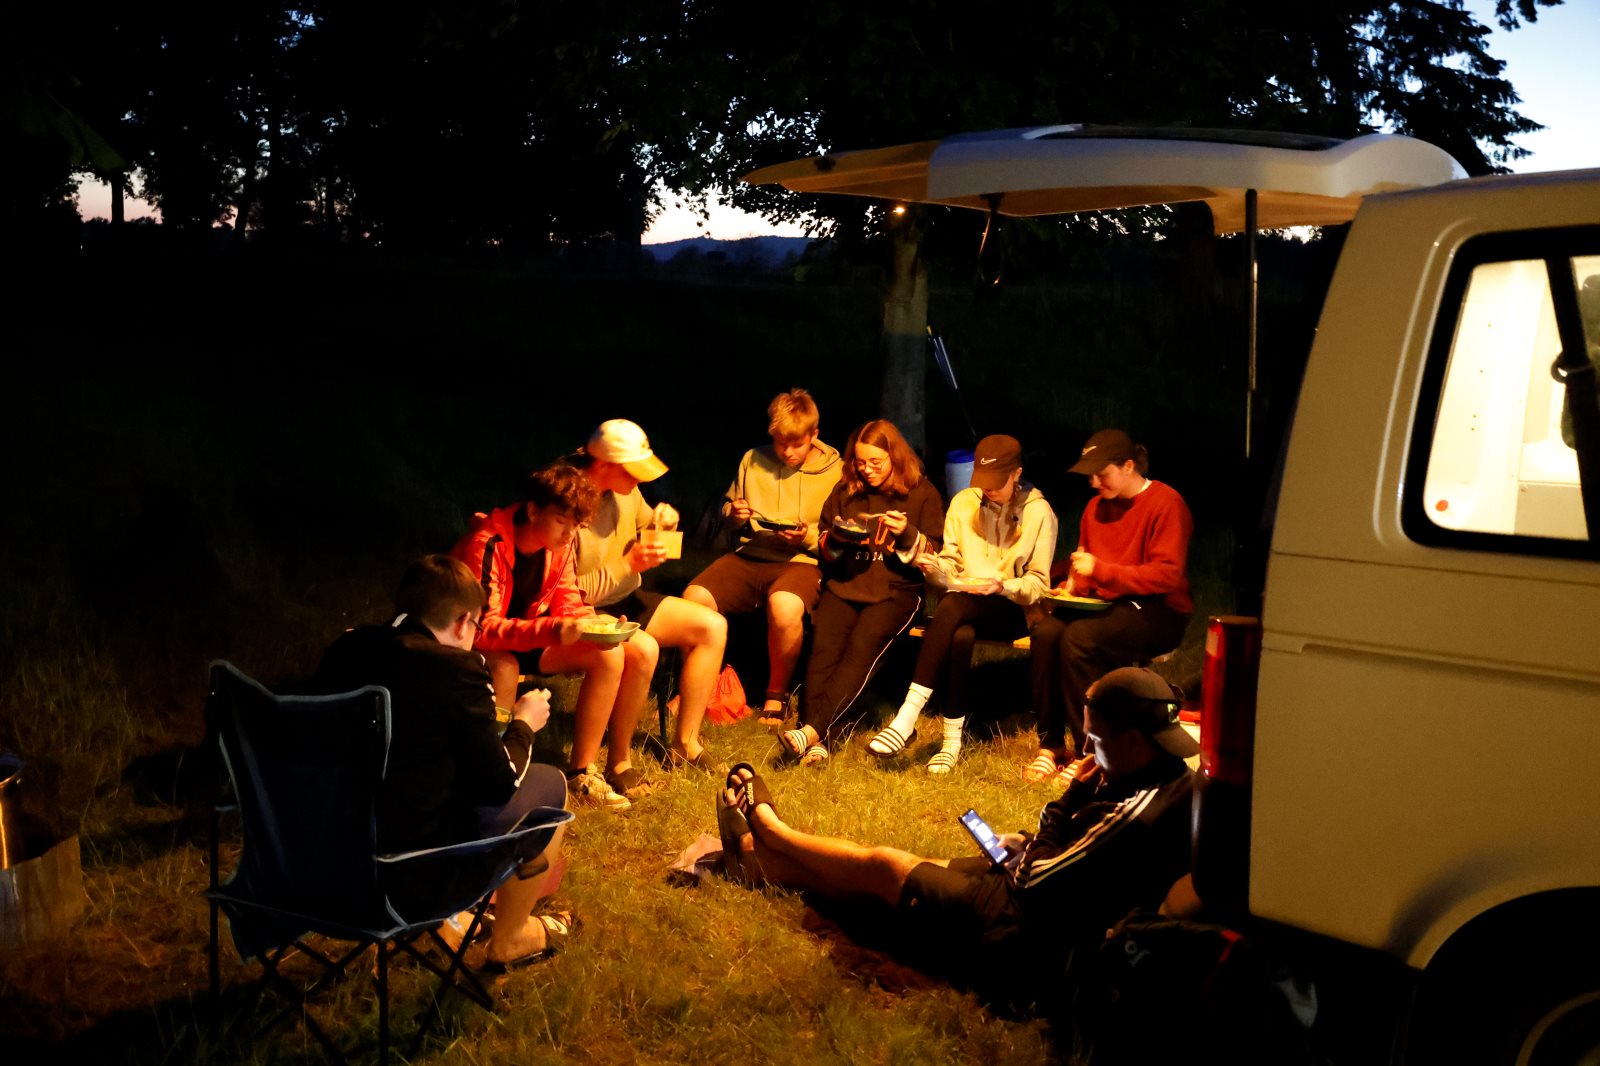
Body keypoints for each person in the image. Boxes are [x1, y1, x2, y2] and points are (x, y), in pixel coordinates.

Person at [718, 667, 1198, 1010]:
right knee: (902, 872)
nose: (1087, 750)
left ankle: (772, 833)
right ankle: (759, 863)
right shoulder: (1157, 771)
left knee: (886, 866)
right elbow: (1076, 860)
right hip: (1046, 897)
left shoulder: (1139, 813)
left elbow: (1037, 882)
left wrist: (1066, 800)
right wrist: (1029, 844)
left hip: (1036, 938)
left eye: (1095, 740)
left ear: (1133, 739)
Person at [314, 555, 574, 969]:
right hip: (405, 883)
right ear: (463, 621)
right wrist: (524, 725)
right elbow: (498, 785)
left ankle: (452, 923)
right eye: (477, 628)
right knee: (550, 784)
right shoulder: (456, 668)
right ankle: (510, 938)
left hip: (315, 871)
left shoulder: (346, 650)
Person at [451, 461, 653, 811]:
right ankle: (496, 770)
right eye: (562, 521)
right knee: (505, 668)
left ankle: (581, 773)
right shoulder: (489, 542)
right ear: (533, 511)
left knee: (609, 653)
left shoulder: (559, 546)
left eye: (577, 525)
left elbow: (568, 598)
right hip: (470, 638)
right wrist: (552, 630)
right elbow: (483, 628)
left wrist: (594, 627)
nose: (569, 533)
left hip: (529, 631)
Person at [867, 434, 1058, 773]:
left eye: (997, 482)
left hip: (1013, 607)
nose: (988, 489)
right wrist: (934, 567)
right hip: (965, 602)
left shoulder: (1039, 512)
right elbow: (951, 564)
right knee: (959, 631)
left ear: (1016, 474)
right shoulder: (964, 503)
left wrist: (1002, 585)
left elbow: (1038, 585)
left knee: (952, 608)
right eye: (983, 481)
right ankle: (951, 742)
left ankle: (907, 716)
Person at [1025, 429, 1192, 784]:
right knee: (1047, 630)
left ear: (1129, 466)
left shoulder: (1166, 503)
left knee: (1080, 639)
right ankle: (1050, 744)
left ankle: (1090, 752)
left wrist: (1101, 571)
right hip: (1111, 602)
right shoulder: (1095, 508)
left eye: (1102, 474)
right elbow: (1090, 568)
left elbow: (1167, 576)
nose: (1094, 483)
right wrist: (1074, 585)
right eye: (1090, 476)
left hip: (1159, 608)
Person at [776, 419, 945, 767]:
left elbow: (934, 556)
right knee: (823, 651)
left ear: (895, 457)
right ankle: (822, 740)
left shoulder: (921, 493)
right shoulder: (846, 490)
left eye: (875, 462)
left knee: (861, 650)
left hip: (895, 590)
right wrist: (838, 538)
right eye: (860, 461)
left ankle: (811, 731)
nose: (866, 469)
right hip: (845, 583)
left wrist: (907, 533)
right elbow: (825, 545)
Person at [569, 419, 729, 772]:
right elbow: (571, 590)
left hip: (626, 597)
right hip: (585, 609)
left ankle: (686, 743)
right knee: (645, 648)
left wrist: (662, 525)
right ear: (604, 465)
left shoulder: (625, 491)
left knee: (712, 627)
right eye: (633, 471)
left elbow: (648, 530)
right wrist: (629, 563)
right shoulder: (569, 503)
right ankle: (619, 759)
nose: (639, 480)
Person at [684, 388, 843, 724]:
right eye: (780, 443)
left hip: (802, 560)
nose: (787, 451)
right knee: (693, 598)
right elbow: (730, 512)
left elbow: (840, 537)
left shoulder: (835, 472)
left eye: (796, 444)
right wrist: (734, 514)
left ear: (814, 434)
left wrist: (806, 537)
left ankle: (777, 695)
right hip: (751, 553)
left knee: (784, 605)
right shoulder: (753, 459)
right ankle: (699, 685)